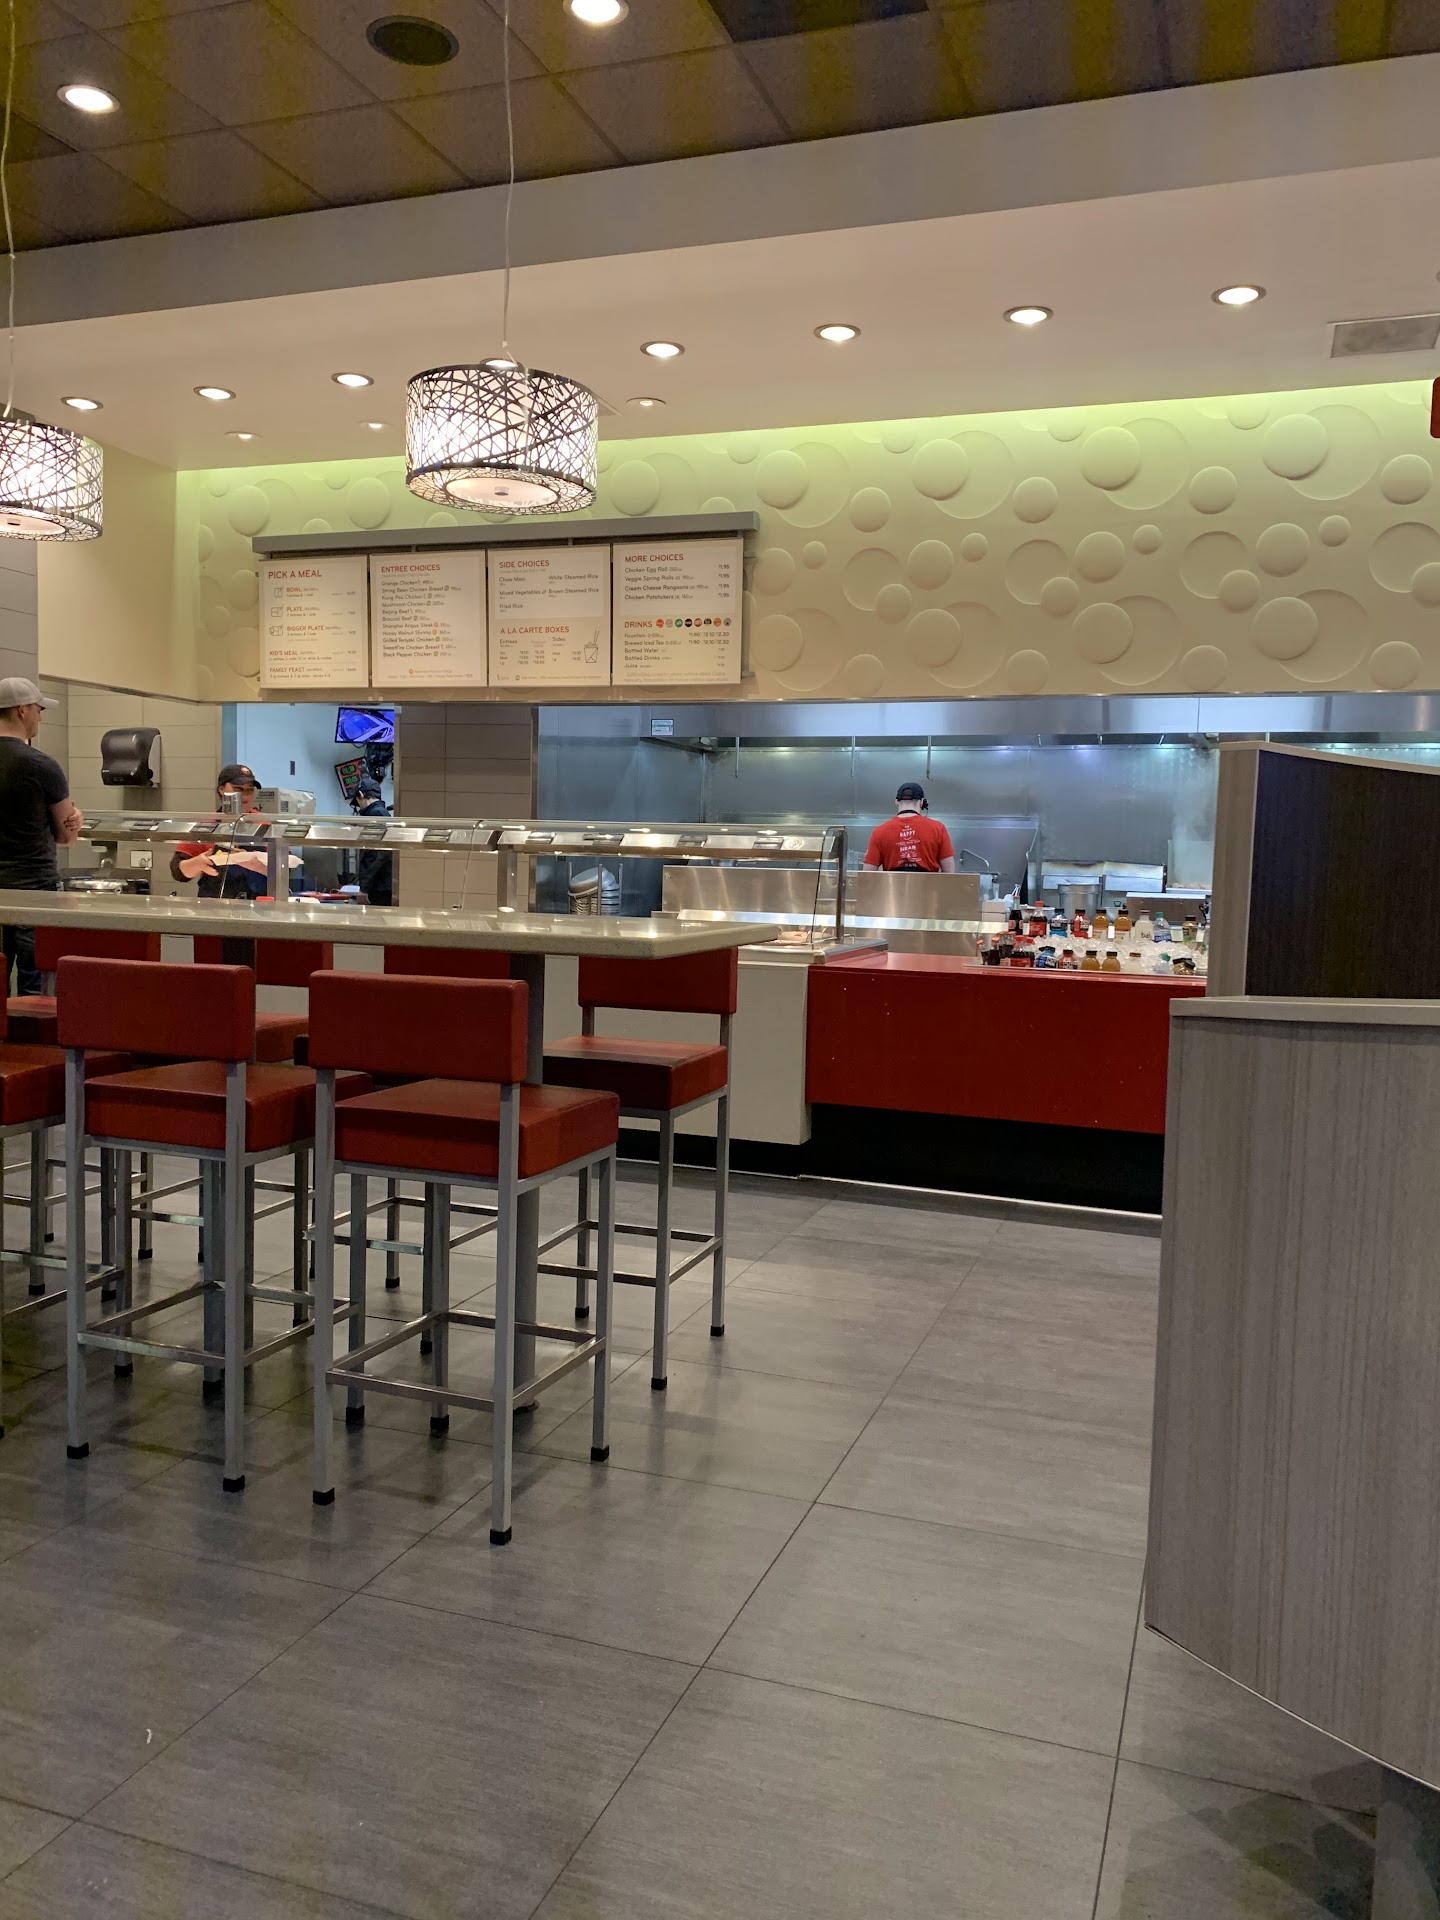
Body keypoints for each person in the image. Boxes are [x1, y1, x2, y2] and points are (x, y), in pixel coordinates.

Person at [0, 676, 83, 994]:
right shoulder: (41, 765)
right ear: (22, 710)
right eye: (39, 709)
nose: (41, 717)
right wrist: (76, 819)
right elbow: (66, 836)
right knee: (34, 988)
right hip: (35, 894)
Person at [170, 763, 272, 898]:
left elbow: (285, 871)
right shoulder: (206, 823)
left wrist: (254, 864)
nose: (244, 796)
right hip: (214, 905)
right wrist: (199, 863)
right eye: (238, 789)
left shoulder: (266, 824)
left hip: (259, 904)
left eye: (249, 790)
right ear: (221, 790)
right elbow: (178, 872)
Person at [863, 782, 956, 874]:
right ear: (922, 802)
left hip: (892, 884)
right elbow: (949, 872)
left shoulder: (879, 832)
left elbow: (867, 873)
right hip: (929, 884)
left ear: (896, 802)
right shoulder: (938, 828)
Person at [351, 775, 393, 906]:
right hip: (379, 884)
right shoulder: (381, 813)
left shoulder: (376, 814)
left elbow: (376, 854)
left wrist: (364, 888)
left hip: (378, 886)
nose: (359, 806)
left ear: (361, 795)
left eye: (357, 801)